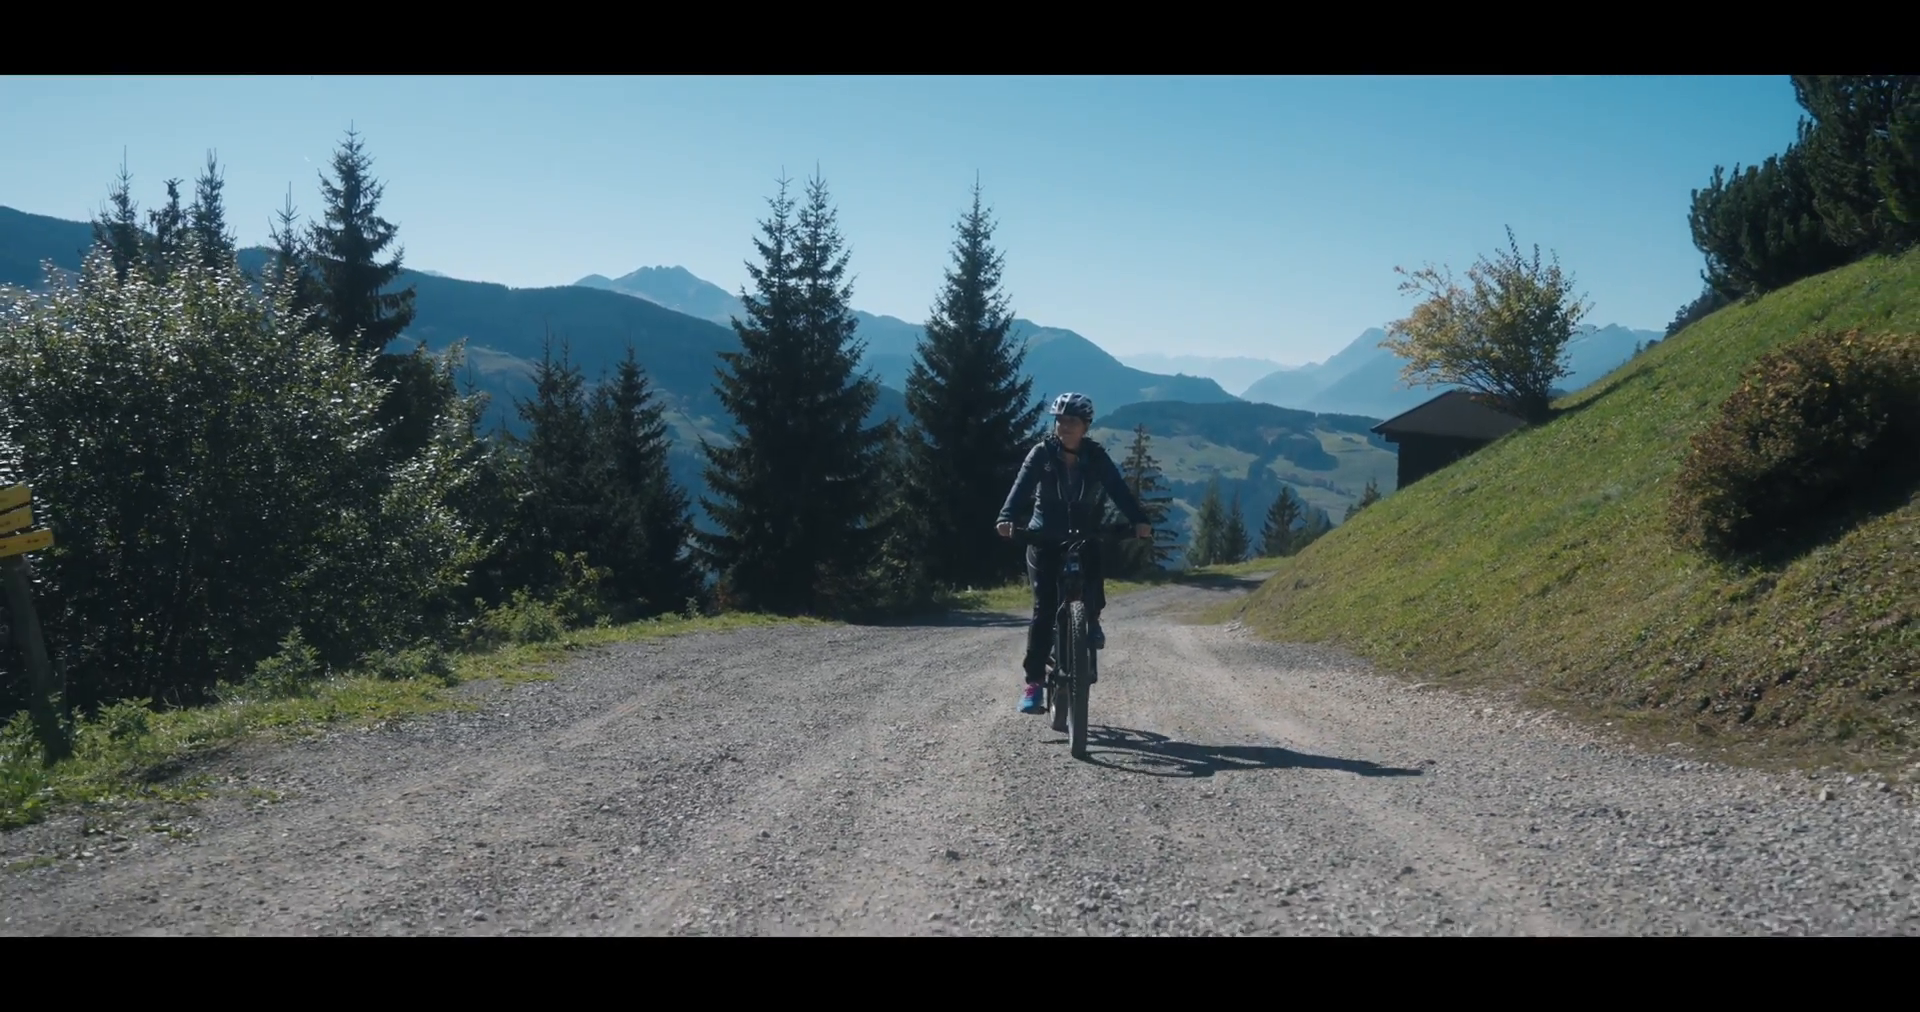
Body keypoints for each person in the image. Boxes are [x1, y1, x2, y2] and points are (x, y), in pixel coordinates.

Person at [996, 392, 1153, 715]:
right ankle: (1034, 683)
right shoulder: (1041, 454)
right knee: (1044, 609)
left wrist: (1139, 520)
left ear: (1085, 426)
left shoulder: (1096, 457)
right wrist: (1006, 517)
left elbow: (1118, 490)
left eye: (1071, 421)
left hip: (1084, 533)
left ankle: (1091, 620)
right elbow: (1021, 488)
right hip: (1044, 537)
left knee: (1093, 572)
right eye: (1059, 420)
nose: (1064, 426)